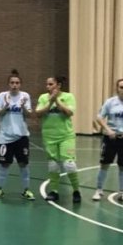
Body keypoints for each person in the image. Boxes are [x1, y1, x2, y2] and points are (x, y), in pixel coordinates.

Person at [36, 75, 80, 203]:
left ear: (58, 85)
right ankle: (54, 191)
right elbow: (38, 113)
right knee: (53, 165)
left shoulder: (68, 97)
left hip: (66, 135)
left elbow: (69, 112)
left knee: (69, 164)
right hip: (49, 136)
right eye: (47, 84)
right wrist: (50, 101)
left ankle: (76, 190)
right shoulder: (43, 98)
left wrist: (57, 101)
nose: (48, 87)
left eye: (51, 84)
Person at [0, 70, 34, 200]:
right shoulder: (2, 96)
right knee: (4, 164)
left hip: (21, 136)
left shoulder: (25, 96)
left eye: (17, 83)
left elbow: (29, 115)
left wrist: (23, 108)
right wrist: (5, 106)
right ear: (8, 84)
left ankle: (26, 190)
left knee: (23, 163)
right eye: (12, 83)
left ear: (20, 84)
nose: (14, 85)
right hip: (5, 136)